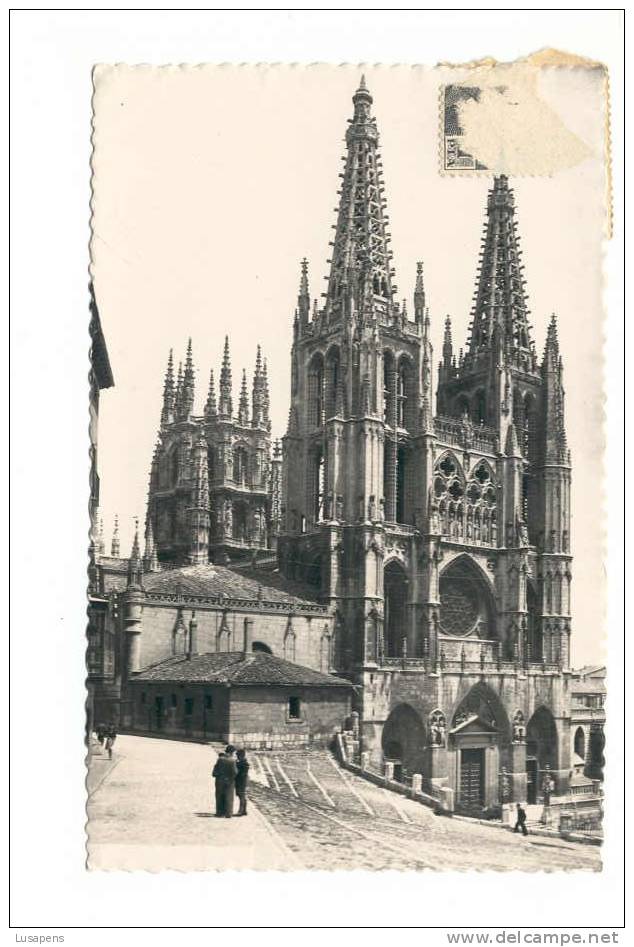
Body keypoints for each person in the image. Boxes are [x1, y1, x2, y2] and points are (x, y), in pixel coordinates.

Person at [212, 745, 237, 818]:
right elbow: (235, 772)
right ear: (232, 752)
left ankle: (219, 812)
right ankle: (228, 813)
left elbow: (216, 767)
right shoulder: (232, 760)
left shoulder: (220, 759)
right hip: (229, 781)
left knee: (219, 796)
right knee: (229, 796)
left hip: (220, 780)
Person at [235, 749, 250, 816]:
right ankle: (244, 810)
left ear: (241, 755)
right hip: (242, 781)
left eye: (238, 755)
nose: (237, 756)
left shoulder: (244, 763)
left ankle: (241, 811)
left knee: (242, 796)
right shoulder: (242, 762)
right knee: (242, 796)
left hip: (242, 782)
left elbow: (241, 774)